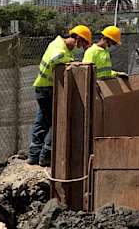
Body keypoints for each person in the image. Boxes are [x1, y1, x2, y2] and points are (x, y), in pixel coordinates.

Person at [27, 25, 92, 167]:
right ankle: (46, 155)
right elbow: (56, 60)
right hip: (47, 90)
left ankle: (34, 155)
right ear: (78, 39)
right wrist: (70, 63)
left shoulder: (58, 44)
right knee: (56, 122)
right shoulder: (60, 50)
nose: (80, 48)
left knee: (42, 122)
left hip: (43, 88)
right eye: (81, 44)